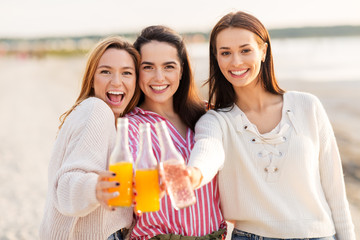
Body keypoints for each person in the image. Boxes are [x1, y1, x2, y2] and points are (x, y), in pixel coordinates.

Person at [187, 11, 355, 240]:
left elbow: (335, 192)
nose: (236, 61)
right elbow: (208, 151)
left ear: (263, 51)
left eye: (245, 50)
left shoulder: (307, 106)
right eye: (225, 53)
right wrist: (192, 174)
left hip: (320, 235)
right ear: (216, 58)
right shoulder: (215, 121)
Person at [127, 25, 226, 240]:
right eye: (148, 67)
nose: (159, 77)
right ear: (136, 71)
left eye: (168, 66)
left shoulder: (205, 114)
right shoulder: (131, 126)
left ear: (181, 70)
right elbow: (134, 178)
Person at [39, 36, 141, 240]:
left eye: (126, 73)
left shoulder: (114, 121)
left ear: (136, 80)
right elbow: (66, 184)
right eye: (105, 72)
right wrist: (94, 188)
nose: (116, 81)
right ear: (92, 79)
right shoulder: (97, 110)